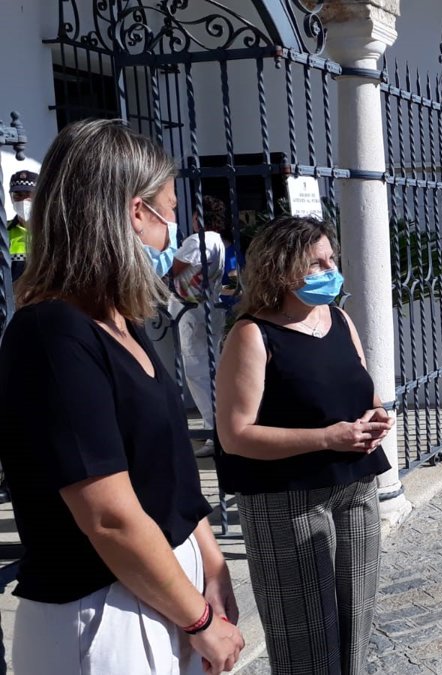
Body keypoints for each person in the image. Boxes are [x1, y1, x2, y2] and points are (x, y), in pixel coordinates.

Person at [0, 119, 244, 674]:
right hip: (103, 611)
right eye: (169, 209)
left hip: (161, 591)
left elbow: (168, 473)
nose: (173, 228)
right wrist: (200, 623)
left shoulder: (117, 322)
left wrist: (211, 564)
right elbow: (108, 516)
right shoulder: (52, 334)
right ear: (136, 212)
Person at [215, 216, 393, 675]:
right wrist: (328, 438)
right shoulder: (252, 335)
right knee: (304, 642)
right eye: (318, 263)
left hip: (356, 489)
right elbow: (235, 435)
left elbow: (363, 392)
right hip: (286, 502)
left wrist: (375, 417)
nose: (332, 270)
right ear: (282, 269)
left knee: (355, 629)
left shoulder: (340, 320)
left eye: (331, 259)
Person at [170, 195, 233, 457]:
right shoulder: (217, 241)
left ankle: (213, 431)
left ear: (198, 217)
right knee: (212, 370)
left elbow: (173, 269)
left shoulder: (198, 241)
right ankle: (219, 428)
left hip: (191, 310)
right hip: (208, 309)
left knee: (197, 373)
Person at [6, 170, 36, 282]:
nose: (23, 201)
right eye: (18, 195)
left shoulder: (52, 233)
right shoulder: (3, 231)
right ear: (11, 197)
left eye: (29, 194)